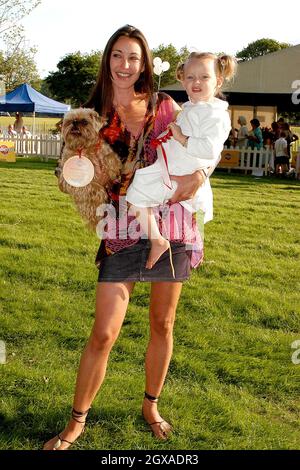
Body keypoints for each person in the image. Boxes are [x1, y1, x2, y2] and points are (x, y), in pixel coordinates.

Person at [43, 25, 206, 450]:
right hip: (118, 229)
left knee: (162, 322)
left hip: (171, 225)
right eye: (117, 55)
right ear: (107, 59)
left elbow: (203, 146)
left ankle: (151, 405)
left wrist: (202, 172)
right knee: (103, 332)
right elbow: (71, 174)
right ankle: (76, 421)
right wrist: (70, 175)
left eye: (133, 57)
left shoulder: (166, 106)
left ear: (144, 63)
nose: (124, 65)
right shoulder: (91, 112)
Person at [126, 52, 235, 270]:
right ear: (182, 79)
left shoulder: (216, 114)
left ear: (218, 81)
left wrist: (181, 138)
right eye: (190, 77)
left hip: (179, 173)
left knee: (136, 197)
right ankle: (160, 239)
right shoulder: (191, 107)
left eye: (204, 77)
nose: (196, 82)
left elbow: (211, 149)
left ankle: (160, 241)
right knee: (136, 195)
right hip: (171, 168)